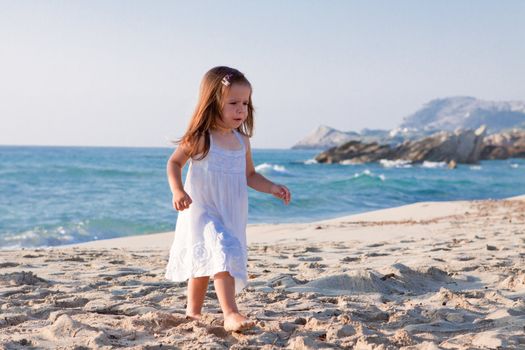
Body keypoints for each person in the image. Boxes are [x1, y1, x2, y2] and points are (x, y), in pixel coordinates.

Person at [164, 66, 291, 332]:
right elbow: (174, 163)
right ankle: (230, 313)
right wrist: (177, 191)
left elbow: (250, 175)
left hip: (231, 211)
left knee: (205, 261)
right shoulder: (201, 138)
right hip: (202, 208)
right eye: (233, 103)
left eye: (245, 103)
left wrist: (272, 187)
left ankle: (193, 313)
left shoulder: (241, 140)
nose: (240, 109)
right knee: (220, 250)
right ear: (213, 103)